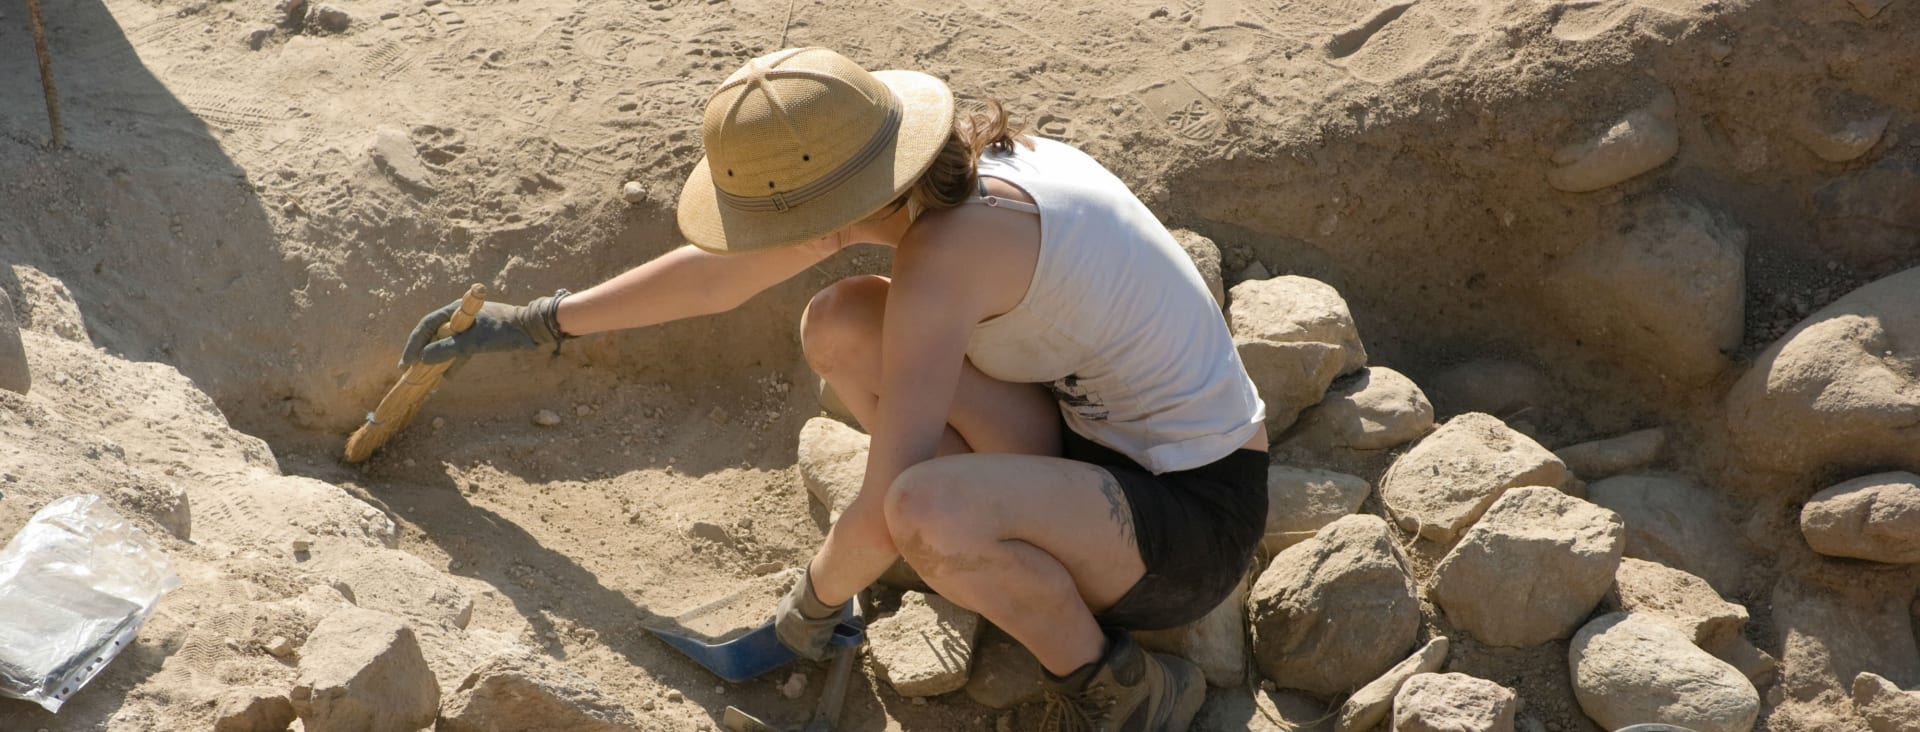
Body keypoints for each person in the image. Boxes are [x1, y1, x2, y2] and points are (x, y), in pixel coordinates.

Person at [400, 47, 1269, 731]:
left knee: (923, 510)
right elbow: (716, 280)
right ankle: (983, 551)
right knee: (845, 319)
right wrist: (539, 320)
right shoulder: (946, 169)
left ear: (834, 198)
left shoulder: (949, 256)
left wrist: (804, 615)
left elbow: (894, 492)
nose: (763, 238)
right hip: (1090, 444)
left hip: (1191, 516)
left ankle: (1121, 688)